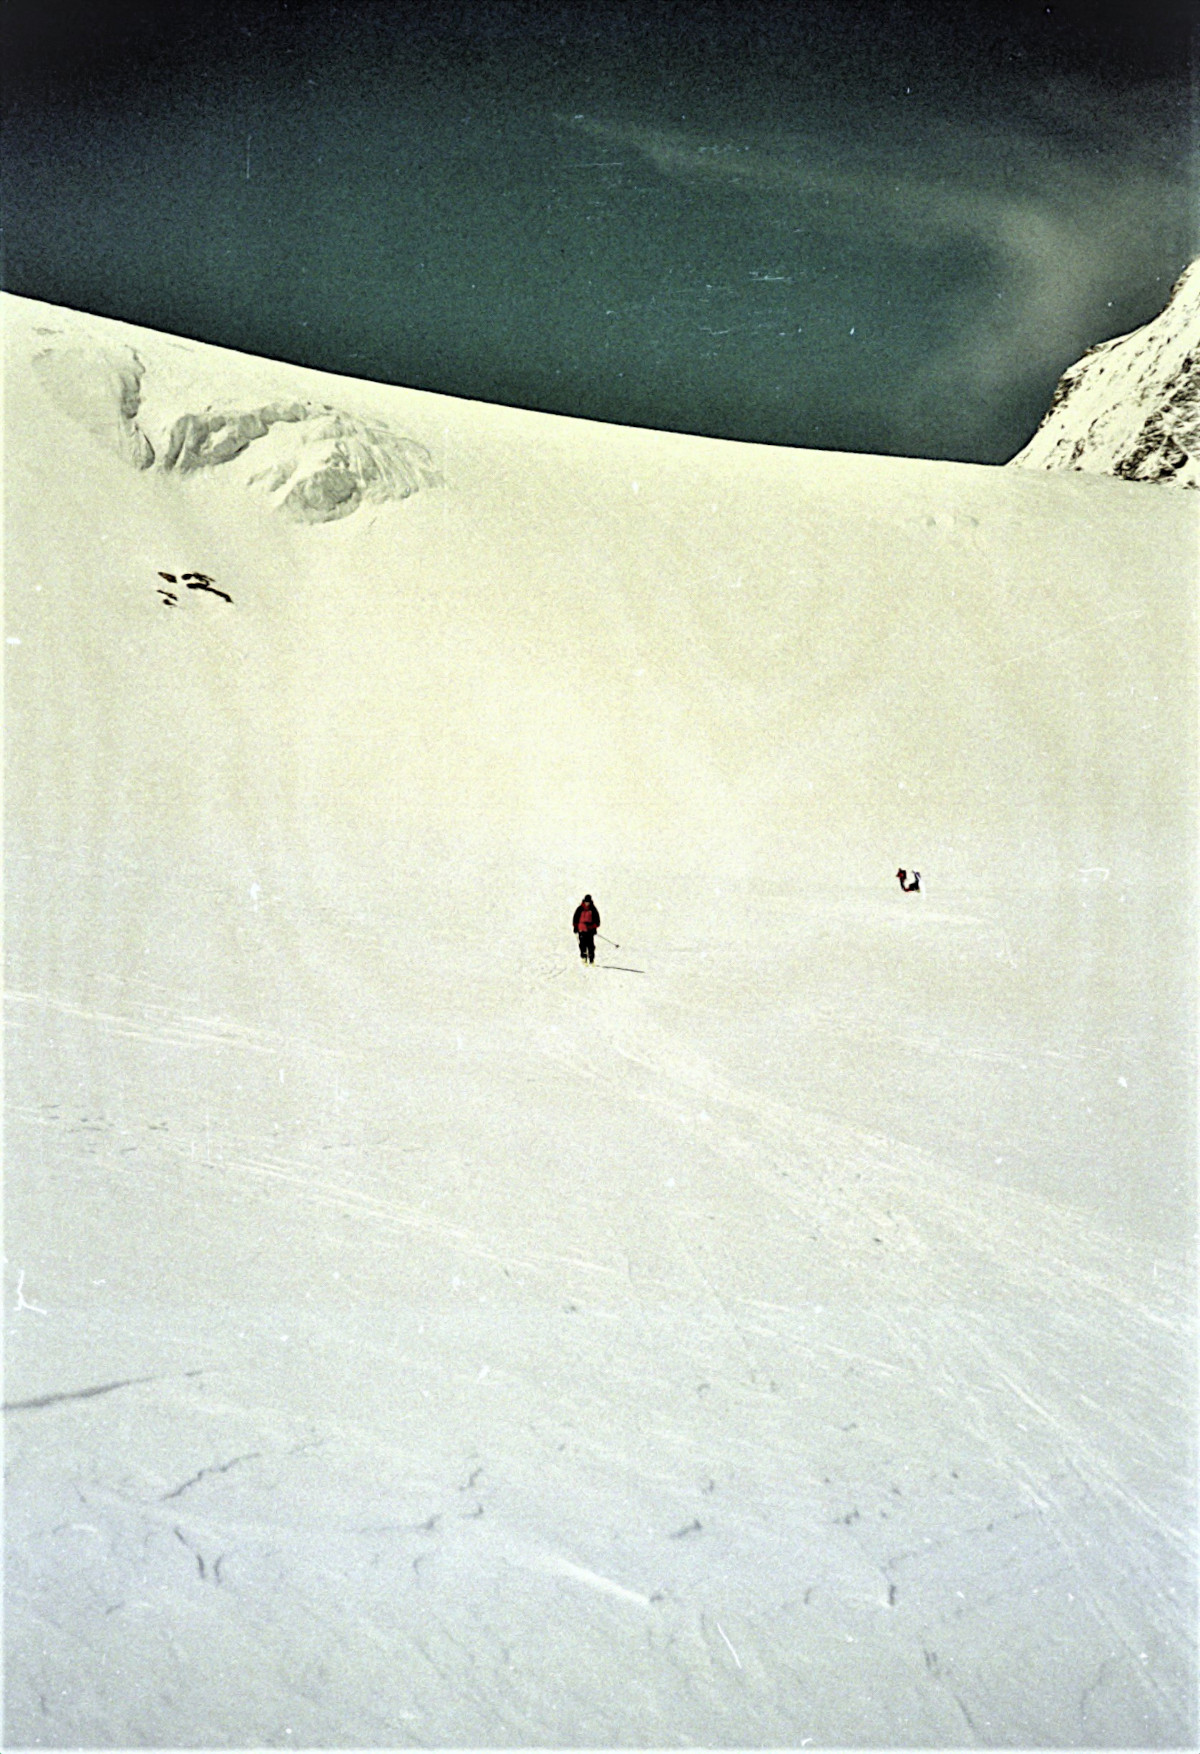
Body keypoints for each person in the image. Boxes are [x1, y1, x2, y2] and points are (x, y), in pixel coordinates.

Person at [573, 894, 600, 963]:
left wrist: (594, 927)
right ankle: (583, 957)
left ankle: (591, 958)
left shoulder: (593, 909)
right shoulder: (580, 909)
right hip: (581, 929)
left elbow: (597, 920)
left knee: (591, 945)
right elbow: (575, 918)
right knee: (582, 944)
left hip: (590, 930)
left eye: (588, 902)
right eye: (586, 902)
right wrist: (575, 927)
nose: (587, 903)